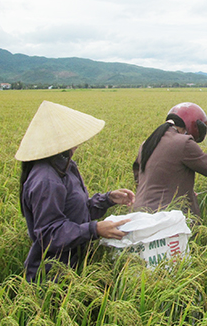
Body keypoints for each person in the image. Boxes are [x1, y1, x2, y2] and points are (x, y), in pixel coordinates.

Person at [16, 101, 135, 282]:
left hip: (73, 266)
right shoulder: (46, 179)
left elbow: (78, 210)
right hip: (52, 277)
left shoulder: (65, 166)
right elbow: (49, 234)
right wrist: (94, 229)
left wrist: (108, 199)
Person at [132, 102, 207, 219]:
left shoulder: (148, 143)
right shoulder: (183, 143)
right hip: (165, 215)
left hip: (138, 213)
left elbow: (138, 176)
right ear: (193, 125)